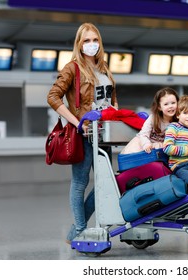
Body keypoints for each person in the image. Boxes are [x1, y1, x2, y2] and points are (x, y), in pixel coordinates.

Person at [47, 22, 118, 244]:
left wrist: (117, 114)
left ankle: (77, 230)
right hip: (85, 134)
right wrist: (77, 122)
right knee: (80, 182)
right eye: (86, 40)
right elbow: (53, 96)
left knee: (107, 182)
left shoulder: (104, 67)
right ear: (79, 43)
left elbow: (111, 99)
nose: (91, 44)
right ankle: (80, 228)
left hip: (105, 134)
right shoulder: (73, 68)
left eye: (95, 40)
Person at [120, 87, 188, 154]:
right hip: (145, 145)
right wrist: (146, 144)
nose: (170, 106)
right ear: (159, 107)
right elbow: (143, 134)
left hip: (164, 148)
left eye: (173, 103)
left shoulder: (179, 119)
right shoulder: (153, 118)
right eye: (166, 104)